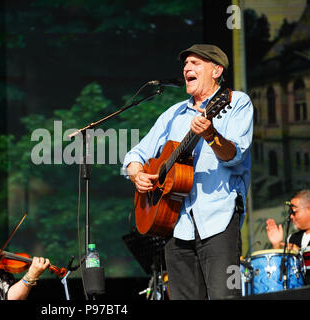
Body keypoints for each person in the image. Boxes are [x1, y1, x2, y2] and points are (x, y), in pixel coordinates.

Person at [123, 44, 253, 299]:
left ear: (217, 71)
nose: (186, 69)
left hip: (218, 218)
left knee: (225, 295)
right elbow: (134, 155)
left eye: (195, 63)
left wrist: (211, 134)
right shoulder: (173, 114)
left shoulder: (236, 102)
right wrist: (136, 173)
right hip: (176, 222)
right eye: (185, 65)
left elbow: (234, 156)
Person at [266, 189, 310, 284]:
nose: (291, 216)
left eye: (294, 212)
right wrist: (277, 245)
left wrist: (300, 254)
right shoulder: (292, 238)